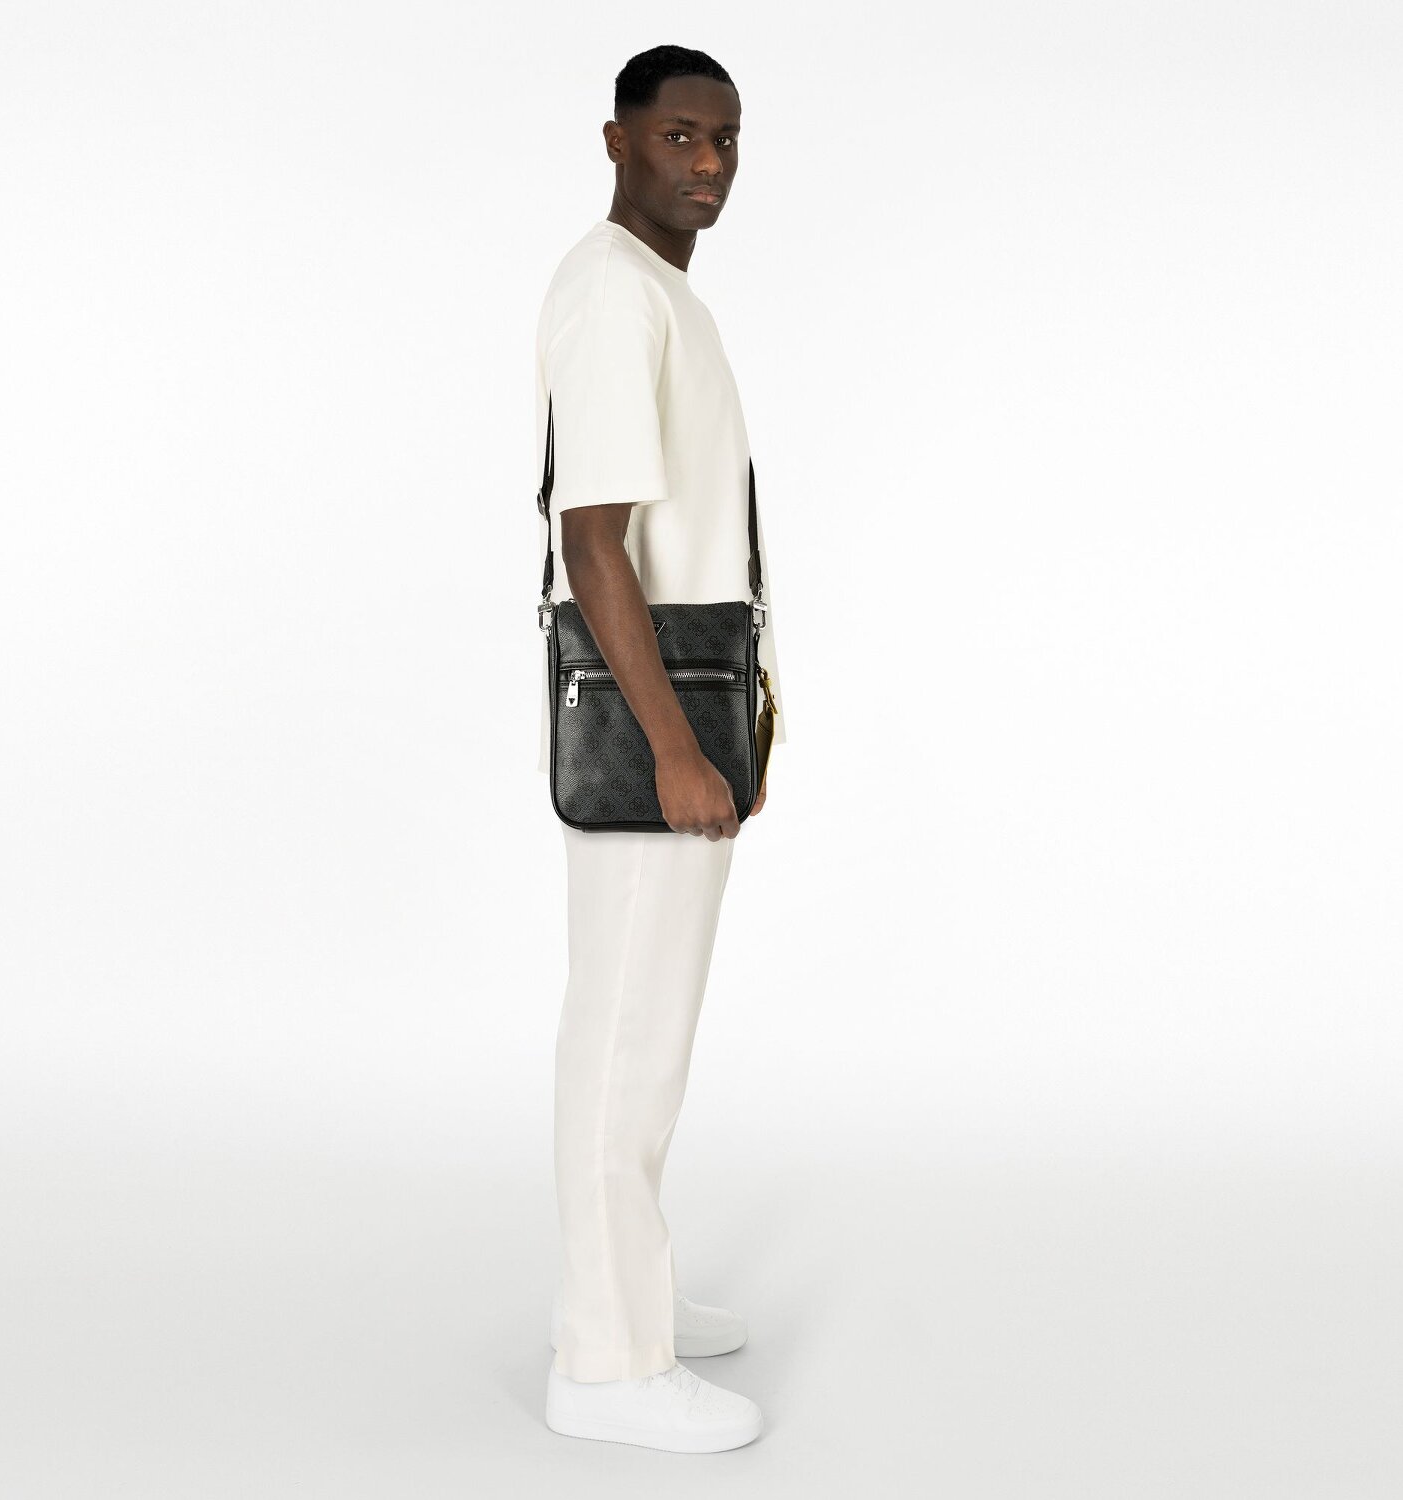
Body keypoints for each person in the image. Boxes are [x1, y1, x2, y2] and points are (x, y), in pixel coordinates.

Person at [532, 45, 788, 1454]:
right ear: (618, 139)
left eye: (727, 140)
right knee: (624, 1036)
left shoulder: (659, 291)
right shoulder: (613, 295)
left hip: (693, 697)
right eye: (681, 135)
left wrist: (741, 726)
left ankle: (627, 1292)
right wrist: (678, 747)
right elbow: (594, 540)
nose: (709, 164)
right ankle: (608, 1366)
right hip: (655, 715)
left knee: (649, 1030)